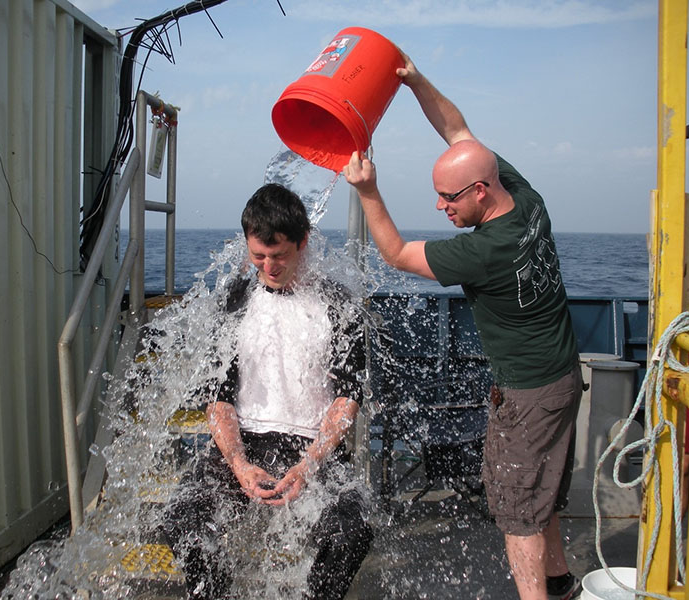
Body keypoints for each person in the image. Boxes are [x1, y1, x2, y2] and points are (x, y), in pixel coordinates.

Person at [343, 53, 583, 600]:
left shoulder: (484, 251)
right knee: (541, 492)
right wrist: (414, 81)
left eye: (449, 198)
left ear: (479, 191)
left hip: (527, 396)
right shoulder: (526, 200)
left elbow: (399, 253)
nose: (441, 206)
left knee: (518, 511)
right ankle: (561, 581)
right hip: (563, 379)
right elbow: (457, 130)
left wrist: (368, 190)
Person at [162, 183, 373, 600]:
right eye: (258, 256)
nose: (269, 267)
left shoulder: (337, 303)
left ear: (303, 242)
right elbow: (218, 397)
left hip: (313, 446)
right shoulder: (235, 302)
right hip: (248, 441)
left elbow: (348, 398)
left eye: (279, 256)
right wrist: (238, 462)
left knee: (354, 531)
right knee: (179, 519)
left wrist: (309, 464)